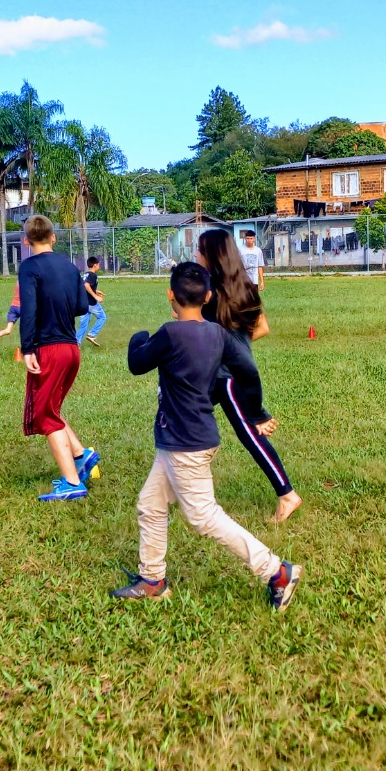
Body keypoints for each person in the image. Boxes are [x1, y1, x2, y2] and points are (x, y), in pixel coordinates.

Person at [111, 262, 304, 610]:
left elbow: (137, 362)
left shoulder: (169, 333)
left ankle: (276, 572)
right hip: (185, 439)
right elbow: (246, 367)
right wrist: (257, 411)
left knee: (204, 517)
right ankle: (152, 579)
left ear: (170, 294)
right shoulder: (216, 333)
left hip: (186, 444)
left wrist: (139, 336)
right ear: (209, 296)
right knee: (150, 504)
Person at [196, 228, 301, 522]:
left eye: (199, 251)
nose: (195, 255)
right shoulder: (244, 286)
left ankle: (287, 494)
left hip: (224, 378)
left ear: (211, 256)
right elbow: (262, 329)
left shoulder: (209, 295)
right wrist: (235, 349)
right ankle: (179, 483)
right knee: (184, 416)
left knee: (249, 435)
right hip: (231, 373)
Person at [18, 215, 98, 500]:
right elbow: (81, 306)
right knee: (50, 407)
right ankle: (81, 454)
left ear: (26, 241)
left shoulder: (28, 267)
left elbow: (28, 310)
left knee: (45, 415)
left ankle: (73, 483)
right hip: (71, 349)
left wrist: (27, 349)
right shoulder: (69, 265)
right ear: (53, 237)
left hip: (48, 350)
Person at [0, 269, 23, 355]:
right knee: (30, 329)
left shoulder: (18, 282)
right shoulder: (26, 282)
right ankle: (30, 350)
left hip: (13, 307)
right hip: (22, 308)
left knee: (8, 330)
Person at [76, 255, 107, 346]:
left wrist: (96, 291)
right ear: (94, 265)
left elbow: (84, 286)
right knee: (102, 317)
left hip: (83, 303)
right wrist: (95, 296)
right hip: (91, 303)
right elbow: (86, 285)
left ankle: (76, 343)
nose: (99, 266)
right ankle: (92, 334)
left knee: (84, 323)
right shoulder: (93, 275)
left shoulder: (86, 274)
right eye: (98, 264)